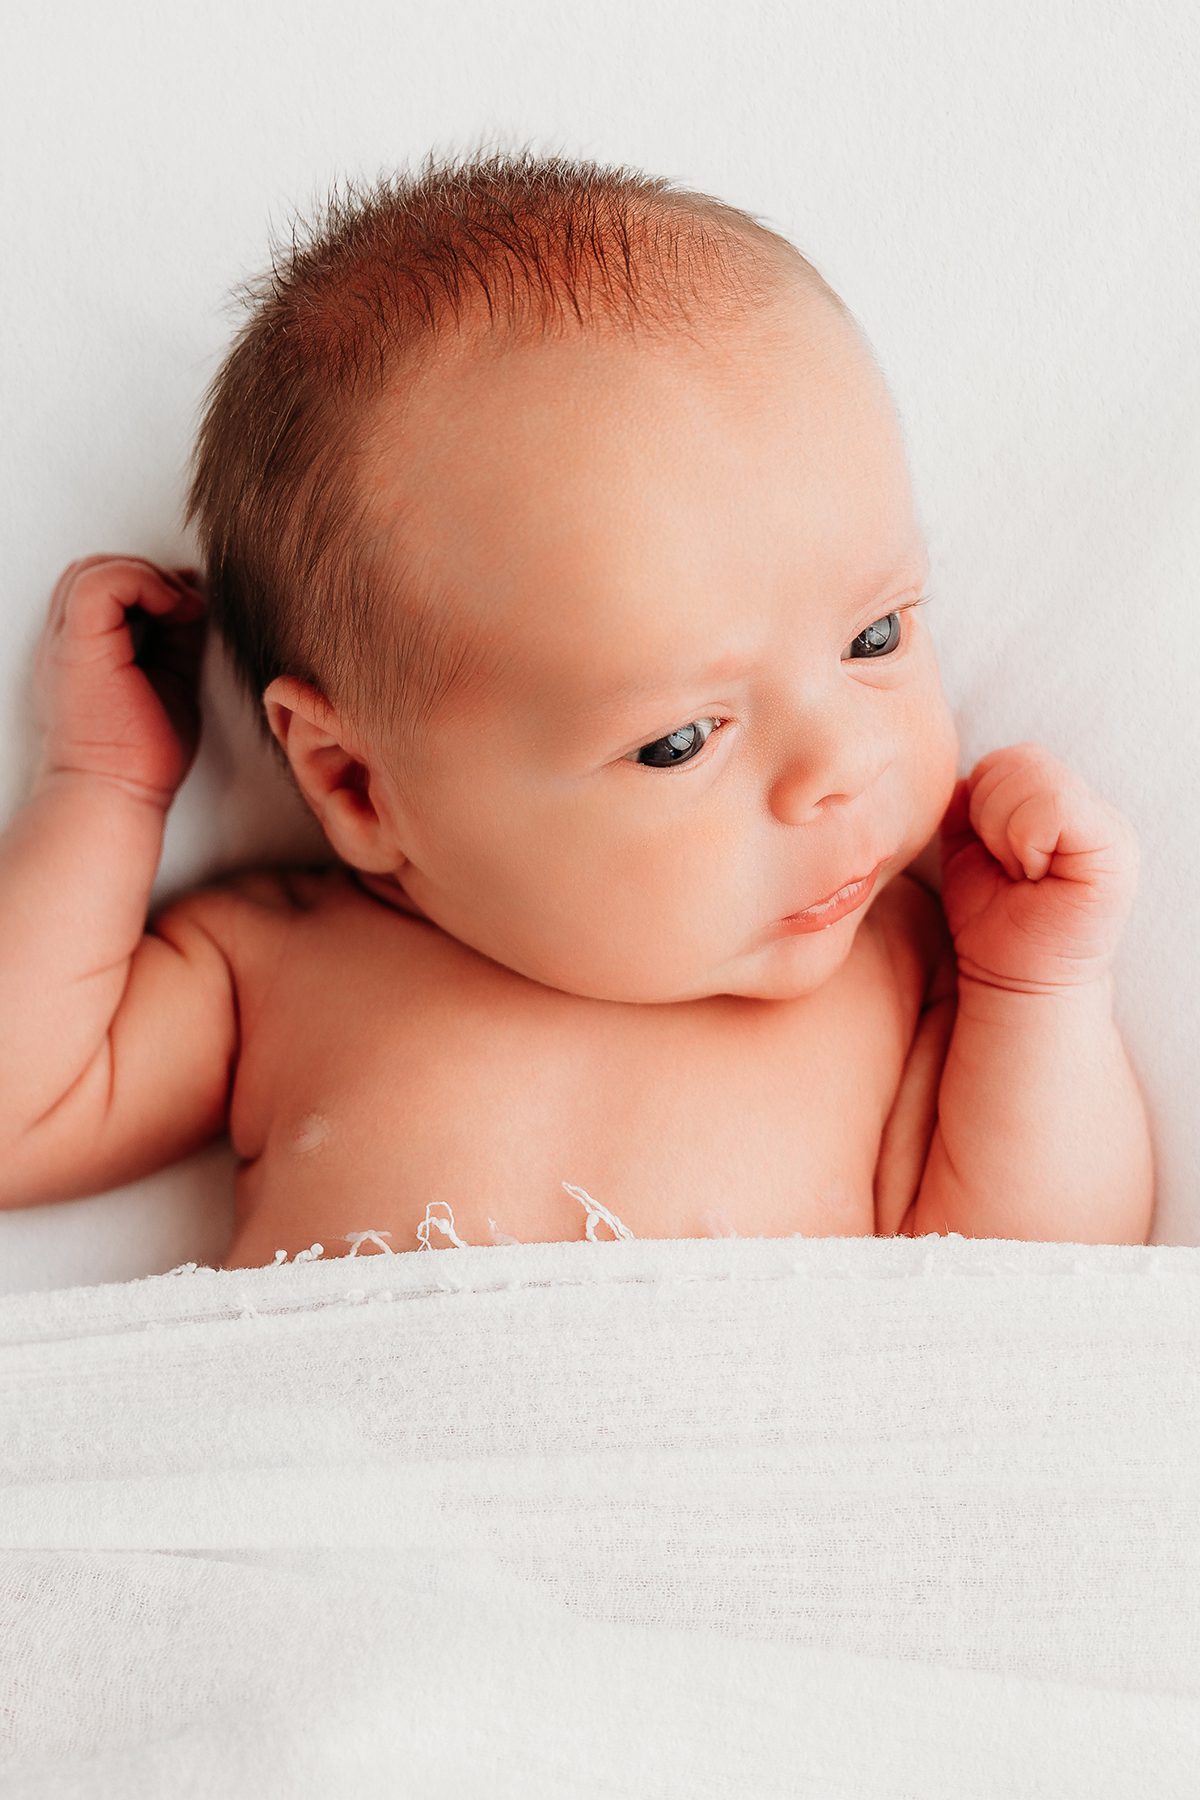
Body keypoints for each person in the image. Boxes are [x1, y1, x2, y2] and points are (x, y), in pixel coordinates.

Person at [0, 150, 1154, 1265]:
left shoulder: (900, 977)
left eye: (876, 635)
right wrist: (103, 788)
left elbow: (1038, 1281)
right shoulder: (279, 972)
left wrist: (1036, 990)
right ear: (355, 783)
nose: (839, 766)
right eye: (678, 741)